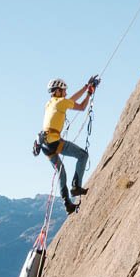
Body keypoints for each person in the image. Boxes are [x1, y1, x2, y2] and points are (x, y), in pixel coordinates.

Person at [36, 76, 99, 213]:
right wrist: (89, 93)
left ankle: (67, 203)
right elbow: (81, 106)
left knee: (61, 172)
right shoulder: (61, 102)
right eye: (64, 91)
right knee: (83, 155)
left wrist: (86, 87)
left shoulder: (50, 103)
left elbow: (71, 100)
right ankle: (76, 186)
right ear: (58, 91)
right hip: (54, 142)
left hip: (45, 145)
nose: (66, 93)